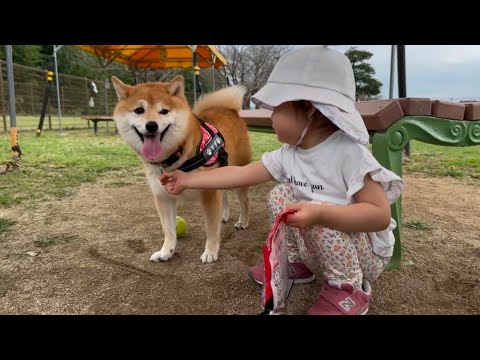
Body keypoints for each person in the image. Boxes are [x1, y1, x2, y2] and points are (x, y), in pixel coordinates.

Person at [159, 46, 403, 315]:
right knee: (280, 194)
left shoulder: (350, 155)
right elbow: (240, 173)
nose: (270, 116)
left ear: (309, 109)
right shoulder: (290, 154)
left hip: (362, 255)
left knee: (319, 211)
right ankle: (296, 263)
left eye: (276, 108)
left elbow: (379, 216)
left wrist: (321, 212)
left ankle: (348, 289)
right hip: (320, 245)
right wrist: (188, 179)